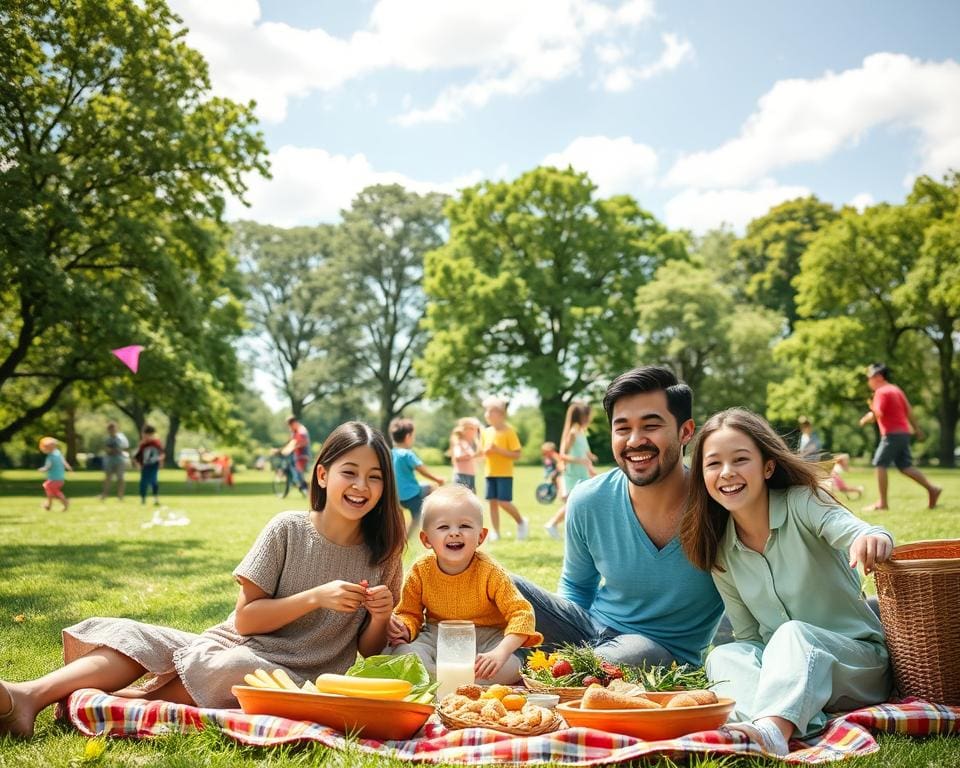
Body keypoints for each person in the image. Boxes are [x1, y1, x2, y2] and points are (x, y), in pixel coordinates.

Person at [0, 421, 405, 739]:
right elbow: (245, 621)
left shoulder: (383, 552)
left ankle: (111, 701)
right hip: (234, 641)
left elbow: (367, 654)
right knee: (138, 635)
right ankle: (28, 695)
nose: (361, 486)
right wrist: (315, 597)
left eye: (374, 477)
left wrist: (378, 619)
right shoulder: (287, 528)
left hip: (296, 675)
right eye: (349, 472)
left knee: (236, 668)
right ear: (321, 475)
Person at [680, 408, 893, 756]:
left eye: (740, 459)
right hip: (786, 671)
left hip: (857, 665)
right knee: (725, 655)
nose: (727, 473)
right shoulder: (721, 551)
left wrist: (871, 537)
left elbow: (855, 529)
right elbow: (749, 638)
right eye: (713, 463)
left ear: (768, 466)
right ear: (702, 475)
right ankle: (780, 723)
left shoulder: (803, 502)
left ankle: (773, 732)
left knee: (793, 633)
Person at [513, 366, 723, 667]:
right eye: (622, 428)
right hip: (590, 630)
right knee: (494, 582)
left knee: (631, 652)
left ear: (685, 431)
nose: (635, 440)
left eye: (651, 426)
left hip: (658, 652)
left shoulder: (717, 506)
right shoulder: (588, 498)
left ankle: (543, 667)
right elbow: (577, 586)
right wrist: (558, 634)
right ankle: (545, 663)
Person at [386, 484, 542, 684]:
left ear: (481, 536)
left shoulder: (489, 571)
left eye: (465, 526)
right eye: (443, 527)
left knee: (512, 666)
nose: (454, 533)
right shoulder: (421, 570)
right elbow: (409, 613)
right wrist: (405, 629)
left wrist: (499, 653)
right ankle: (453, 682)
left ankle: (440, 682)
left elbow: (522, 613)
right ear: (426, 539)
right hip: (438, 636)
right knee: (401, 653)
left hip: (486, 641)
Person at [858, 363, 941, 511]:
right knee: (905, 466)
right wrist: (917, 429)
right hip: (903, 433)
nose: (868, 381)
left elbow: (878, 413)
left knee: (880, 464)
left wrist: (866, 418)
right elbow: (909, 411)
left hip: (891, 434)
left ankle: (882, 503)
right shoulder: (896, 389)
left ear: (878, 377)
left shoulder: (881, 392)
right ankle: (932, 489)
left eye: (869, 378)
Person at [544, 401, 598, 540]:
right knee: (575, 502)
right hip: (574, 474)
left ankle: (561, 526)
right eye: (586, 416)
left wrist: (590, 464)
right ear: (580, 417)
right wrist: (581, 461)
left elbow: (585, 453)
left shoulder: (581, 432)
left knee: (581, 502)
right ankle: (552, 524)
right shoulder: (573, 433)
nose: (588, 419)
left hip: (582, 473)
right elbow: (563, 454)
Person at [480, 396, 528, 542]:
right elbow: (483, 451)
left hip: (504, 473)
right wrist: (486, 452)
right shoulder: (486, 432)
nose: (486, 414)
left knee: (503, 502)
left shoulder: (509, 431)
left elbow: (517, 454)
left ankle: (521, 522)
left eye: (490, 411)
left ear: (500, 414)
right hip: (489, 472)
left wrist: (498, 450)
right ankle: (495, 532)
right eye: (486, 411)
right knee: (492, 503)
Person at [390, 418, 445, 537]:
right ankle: (406, 538)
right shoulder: (407, 454)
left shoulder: (390, 453)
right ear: (408, 436)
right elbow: (422, 470)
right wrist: (437, 479)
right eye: (413, 436)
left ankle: (399, 535)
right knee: (419, 513)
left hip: (395, 496)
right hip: (411, 495)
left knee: (399, 516)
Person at [133, 425, 165, 506]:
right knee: (143, 483)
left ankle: (156, 498)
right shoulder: (143, 445)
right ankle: (143, 499)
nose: (146, 437)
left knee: (154, 481)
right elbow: (137, 456)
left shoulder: (156, 444)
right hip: (145, 466)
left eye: (148, 435)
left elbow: (161, 454)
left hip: (154, 466)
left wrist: (161, 462)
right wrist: (138, 464)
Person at [38, 437, 72, 512]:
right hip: (60, 478)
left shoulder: (51, 457)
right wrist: (68, 467)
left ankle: (65, 502)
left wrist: (43, 469)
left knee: (52, 490)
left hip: (54, 478)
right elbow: (64, 462)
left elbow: (48, 466)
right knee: (50, 490)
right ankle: (49, 505)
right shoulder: (58, 453)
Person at [449, 417, 482, 492]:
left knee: (470, 499)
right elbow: (458, 457)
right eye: (471, 428)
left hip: (470, 475)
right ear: (464, 430)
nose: (474, 431)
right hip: (462, 476)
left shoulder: (468, 444)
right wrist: (474, 455)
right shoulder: (460, 442)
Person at [99, 421, 129, 501]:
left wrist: (114, 450)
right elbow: (107, 449)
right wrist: (113, 450)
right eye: (110, 429)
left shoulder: (121, 438)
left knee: (121, 478)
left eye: (113, 429)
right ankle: (104, 495)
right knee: (108, 478)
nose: (112, 431)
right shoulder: (107, 439)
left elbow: (124, 448)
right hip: (109, 460)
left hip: (120, 460)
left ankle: (120, 496)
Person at [284, 416, 311, 493]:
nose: (290, 428)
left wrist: (294, 447)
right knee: (298, 473)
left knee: (300, 474)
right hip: (297, 455)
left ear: (294, 423)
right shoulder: (295, 431)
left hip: (303, 455)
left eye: (290, 425)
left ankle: (306, 489)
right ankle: (303, 487)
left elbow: (304, 442)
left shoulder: (301, 431)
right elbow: (291, 442)